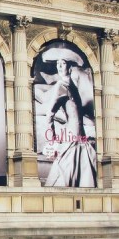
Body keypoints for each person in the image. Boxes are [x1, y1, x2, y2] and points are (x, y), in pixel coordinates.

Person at [42, 50, 97, 187]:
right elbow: (50, 114)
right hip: (71, 138)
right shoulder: (61, 87)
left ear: (70, 67)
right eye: (58, 63)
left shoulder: (72, 86)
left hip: (80, 137)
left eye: (63, 63)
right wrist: (53, 139)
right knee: (66, 172)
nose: (59, 66)